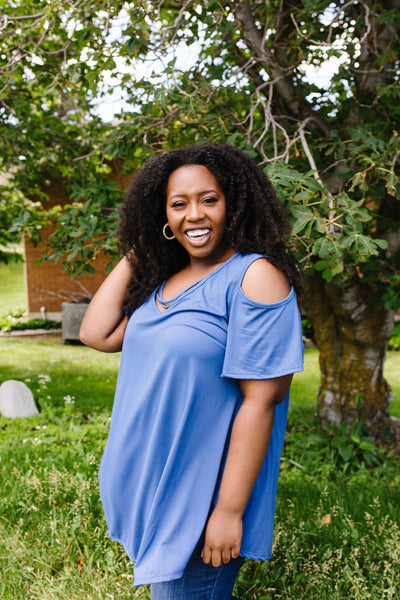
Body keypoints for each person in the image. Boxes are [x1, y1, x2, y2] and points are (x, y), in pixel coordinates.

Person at [80, 143, 304, 600]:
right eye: (178, 204)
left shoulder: (253, 276)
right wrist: (143, 246)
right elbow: (97, 333)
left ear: (235, 204)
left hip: (199, 503)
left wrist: (227, 511)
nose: (194, 214)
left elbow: (261, 401)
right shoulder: (165, 280)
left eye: (209, 199)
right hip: (154, 491)